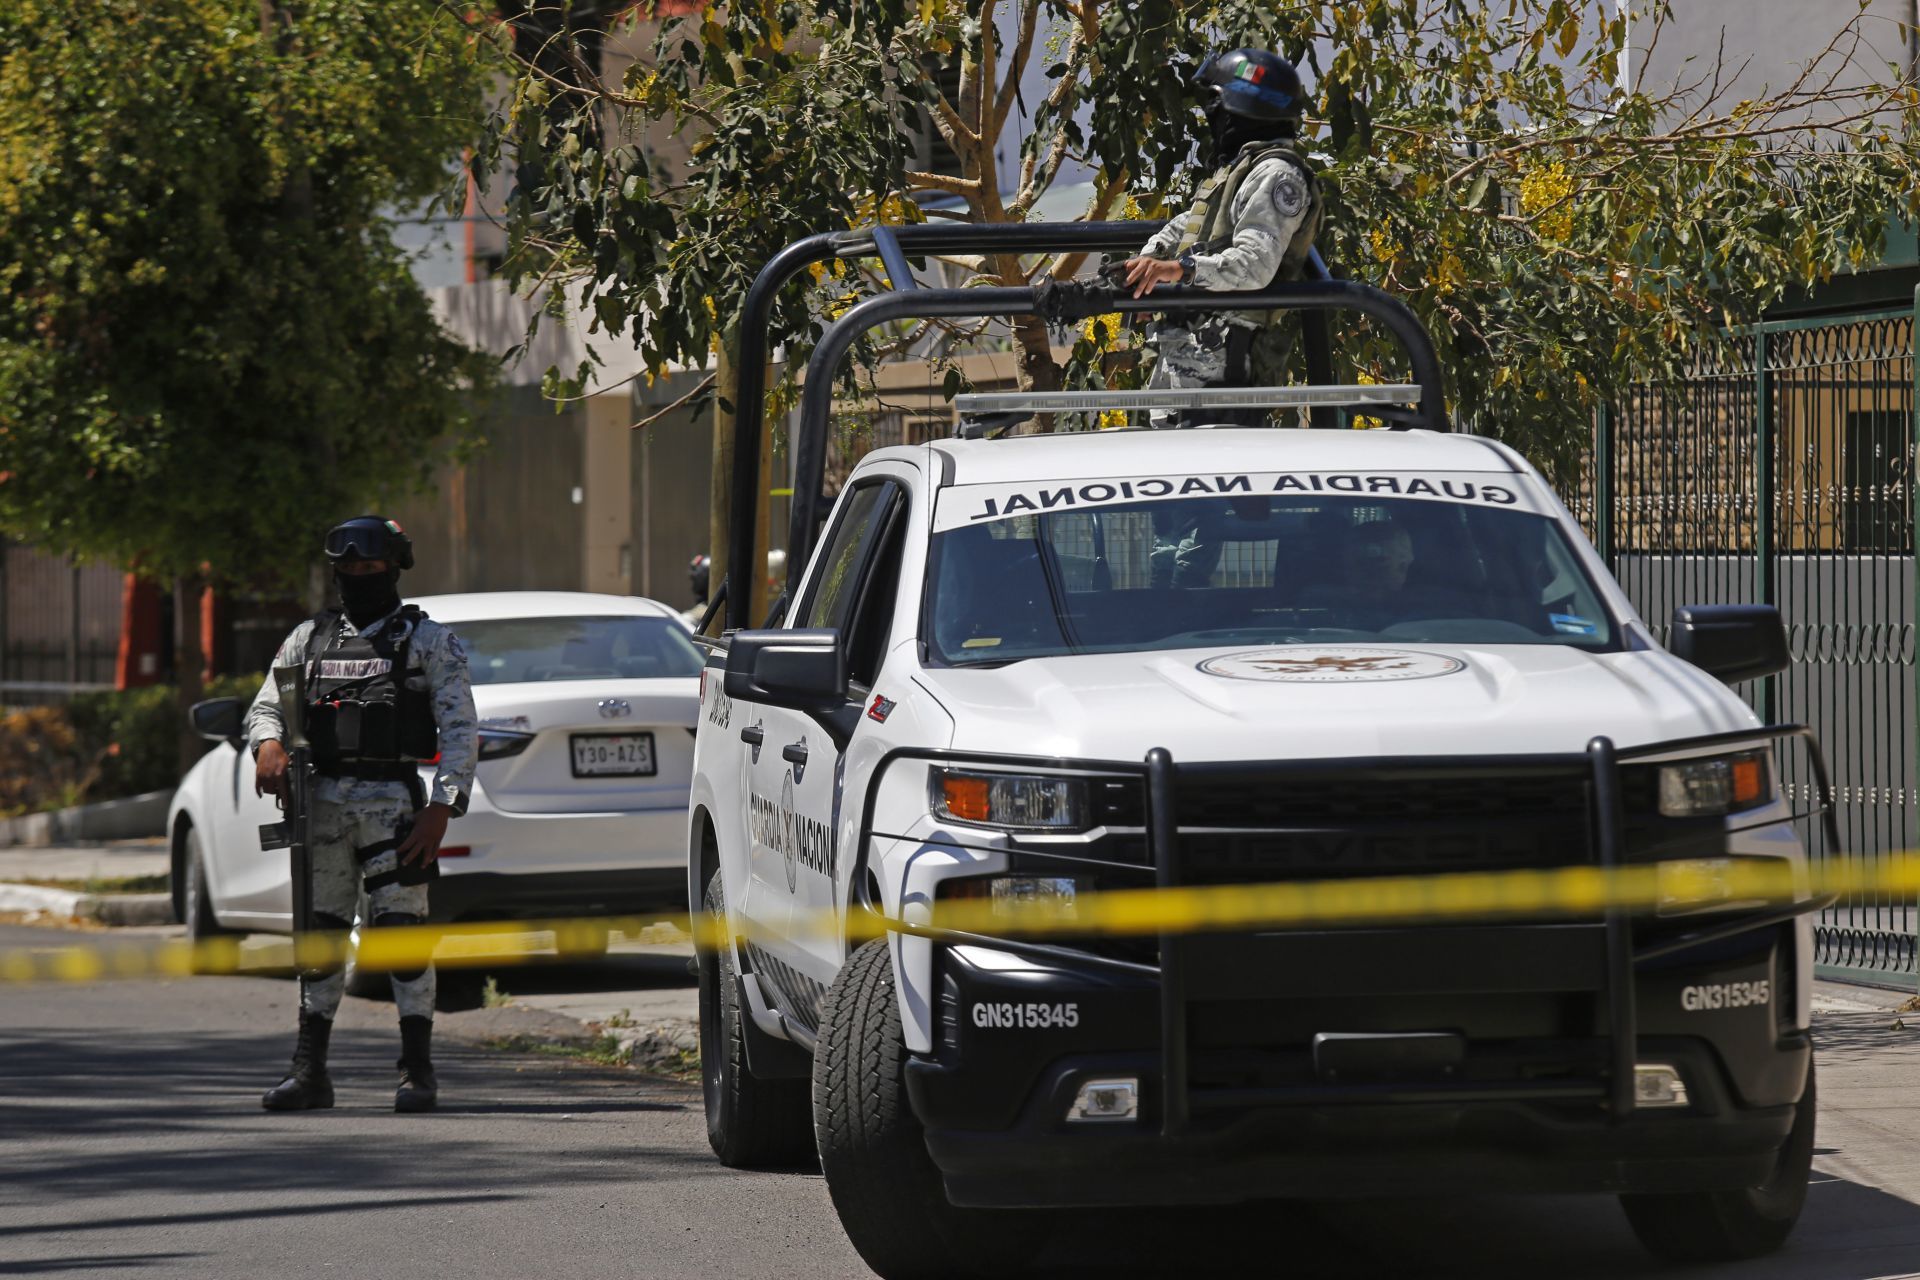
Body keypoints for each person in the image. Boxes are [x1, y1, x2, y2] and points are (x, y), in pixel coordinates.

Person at [246, 515, 477, 1113]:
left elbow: (460, 731)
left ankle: (417, 1072)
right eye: (346, 567)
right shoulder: (308, 639)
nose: (356, 575)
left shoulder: (428, 642)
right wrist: (268, 743)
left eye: (369, 566)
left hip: (395, 811)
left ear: (394, 567)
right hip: (320, 808)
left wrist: (441, 808)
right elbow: (266, 706)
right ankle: (309, 1072)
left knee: (402, 939)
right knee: (320, 937)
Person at [1122, 48, 1322, 399]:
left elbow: (1255, 264)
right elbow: (1192, 223)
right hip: (1193, 355)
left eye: (1216, 106)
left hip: (1227, 368)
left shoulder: (1276, 175)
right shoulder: (1243, 171)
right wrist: (1149, 262)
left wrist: (1179, 270)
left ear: (1241, 108)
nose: (1211, 116)